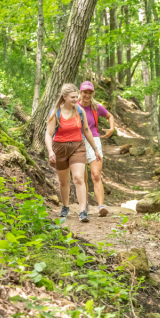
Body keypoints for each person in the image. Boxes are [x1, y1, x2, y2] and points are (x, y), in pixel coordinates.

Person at [44, 83, 103, 223]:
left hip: (77, 147)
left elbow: (87, 131)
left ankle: (82, 211)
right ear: (64, 97)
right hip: (59, 148)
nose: (76, 99)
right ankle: (65, 206)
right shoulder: (56, 112)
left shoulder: (79, 111)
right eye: (72, 97)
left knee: (78, 177)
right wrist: (50, 151)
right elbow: (48, 134)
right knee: (64, 181)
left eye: (77, 97)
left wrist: (95, 149)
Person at [78, 81, 116, 217]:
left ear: (92, 93)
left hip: (94, 141)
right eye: (85, 92)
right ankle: (85, 204)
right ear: (80, 92)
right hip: (78, 142)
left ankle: (101, 206)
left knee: (95, 175)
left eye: (90, 92)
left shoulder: (96, 107)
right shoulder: (74, 106)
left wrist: (112, 128)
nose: (87, 95)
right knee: (82, 176)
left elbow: (109, 116)